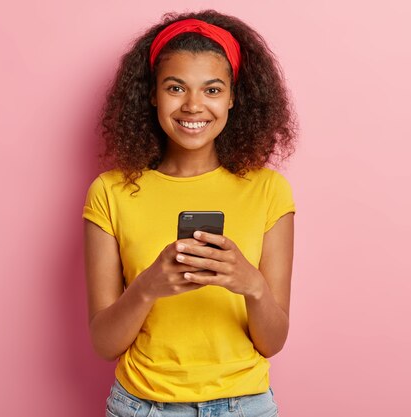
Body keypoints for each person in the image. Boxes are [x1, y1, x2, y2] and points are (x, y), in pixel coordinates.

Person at [83, 9, 297, 417]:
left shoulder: (269, 190)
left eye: (212, 90)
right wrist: (147, 286)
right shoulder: (110, 192)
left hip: (245, 406)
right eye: (176, 88)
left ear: (234, 97)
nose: (194, 106)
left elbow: (273, 341)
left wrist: (250, 284)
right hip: (141, 407)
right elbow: (103, 343)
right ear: (152, 94)